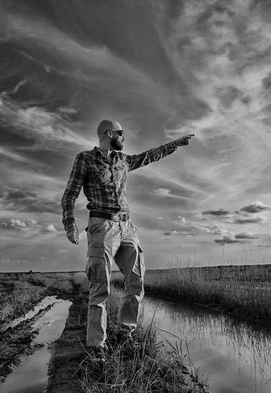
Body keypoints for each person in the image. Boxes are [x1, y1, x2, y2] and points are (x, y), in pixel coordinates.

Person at [60, 119, 194, 362]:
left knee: (136, 281)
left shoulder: (123, 160)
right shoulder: (85, 159)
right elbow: (69, 195)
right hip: (102, 227)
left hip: (127, 228)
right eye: (121, 134)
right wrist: (70, 225)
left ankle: (125, 333)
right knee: (100, 287)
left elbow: (149, 156)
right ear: (109, 134)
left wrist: (175, 144)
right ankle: (96, 346)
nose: (124, 138)